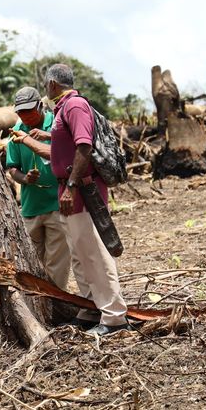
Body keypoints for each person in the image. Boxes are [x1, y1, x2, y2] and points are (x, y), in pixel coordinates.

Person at [43, 64, 129, 335]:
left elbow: (84, 146)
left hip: (80, 189)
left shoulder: (75, 105)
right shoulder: (62, 108)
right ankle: (92, 307)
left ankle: (114, 316)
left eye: (47, 85)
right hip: (68, 189)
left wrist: (71, 186)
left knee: (94, 253)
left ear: (53, 84)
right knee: (80, 254)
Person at [6, 86, 76, 294]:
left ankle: (56, 303)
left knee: (57, 262)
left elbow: (70, 151)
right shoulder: (17, 131)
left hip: (56, 203)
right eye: (21, 112)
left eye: (29, 110)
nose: (25, 116)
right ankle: (37, 302)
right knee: (32, 260)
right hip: (31, 207)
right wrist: (25, 179)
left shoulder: (56, 124)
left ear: (40, 105)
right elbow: (12, 168)